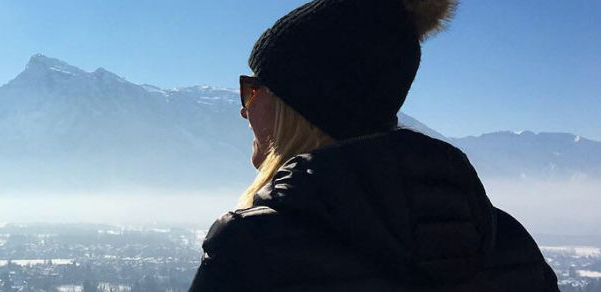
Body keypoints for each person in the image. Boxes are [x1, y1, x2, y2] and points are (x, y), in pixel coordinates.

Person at [188, 0, 560, 291]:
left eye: (252, 90)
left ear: (300, 107)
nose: (243, 109)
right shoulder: (508, 244)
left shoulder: (250, 249)